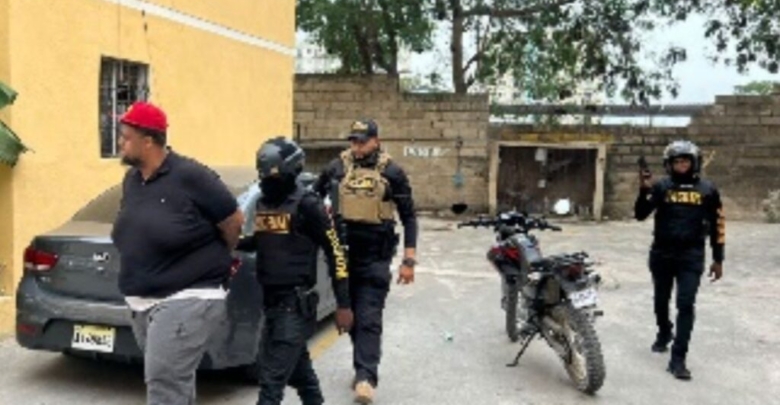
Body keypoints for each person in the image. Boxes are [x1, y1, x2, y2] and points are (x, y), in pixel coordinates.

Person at [111, 102, 245, 405]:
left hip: (189, 294)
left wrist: (219, 255)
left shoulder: (192, 176)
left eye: (126, 137)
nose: (120, 143)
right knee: (172, 384)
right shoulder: (133, 180)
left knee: (164, 384)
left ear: (148, 141)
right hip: (143, 300)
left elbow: (233, 220)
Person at [236, 136, 354, 405]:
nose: (267, 180)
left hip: (294, 305)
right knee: (302, 375)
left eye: (272, 174)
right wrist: (231, 242)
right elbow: (263, 240)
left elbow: (336, 251)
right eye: (263, 174)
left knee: (270, 383)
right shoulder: (265, 203)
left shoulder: (308, 204)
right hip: (271, 304)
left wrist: (343, 304)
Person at [313, 119, 418, 404]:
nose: (357, 147)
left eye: (362, 141)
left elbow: (409, 216)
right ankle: (363, 366)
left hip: (375, 256)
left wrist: (409, 260)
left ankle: (365, 378)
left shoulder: (392, 172)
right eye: (353, 141)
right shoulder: (336, 168)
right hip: (342, 256)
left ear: (376, 141)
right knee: (350, 316)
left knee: (369, 316)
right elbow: (312, 200)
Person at [634, 140, 725, 381]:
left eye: (686, 160)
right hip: (662, 254)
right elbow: (640, 215)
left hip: (691, 256)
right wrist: (643, 190)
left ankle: (678, 359)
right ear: (669, 164)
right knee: (660, 301)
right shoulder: (662, 187)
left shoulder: (708, 190)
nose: (681, 164)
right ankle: (664, 331)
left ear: (695, 163)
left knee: (685, 304)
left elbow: (718, 225)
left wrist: (718, 258)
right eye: (677, 161)